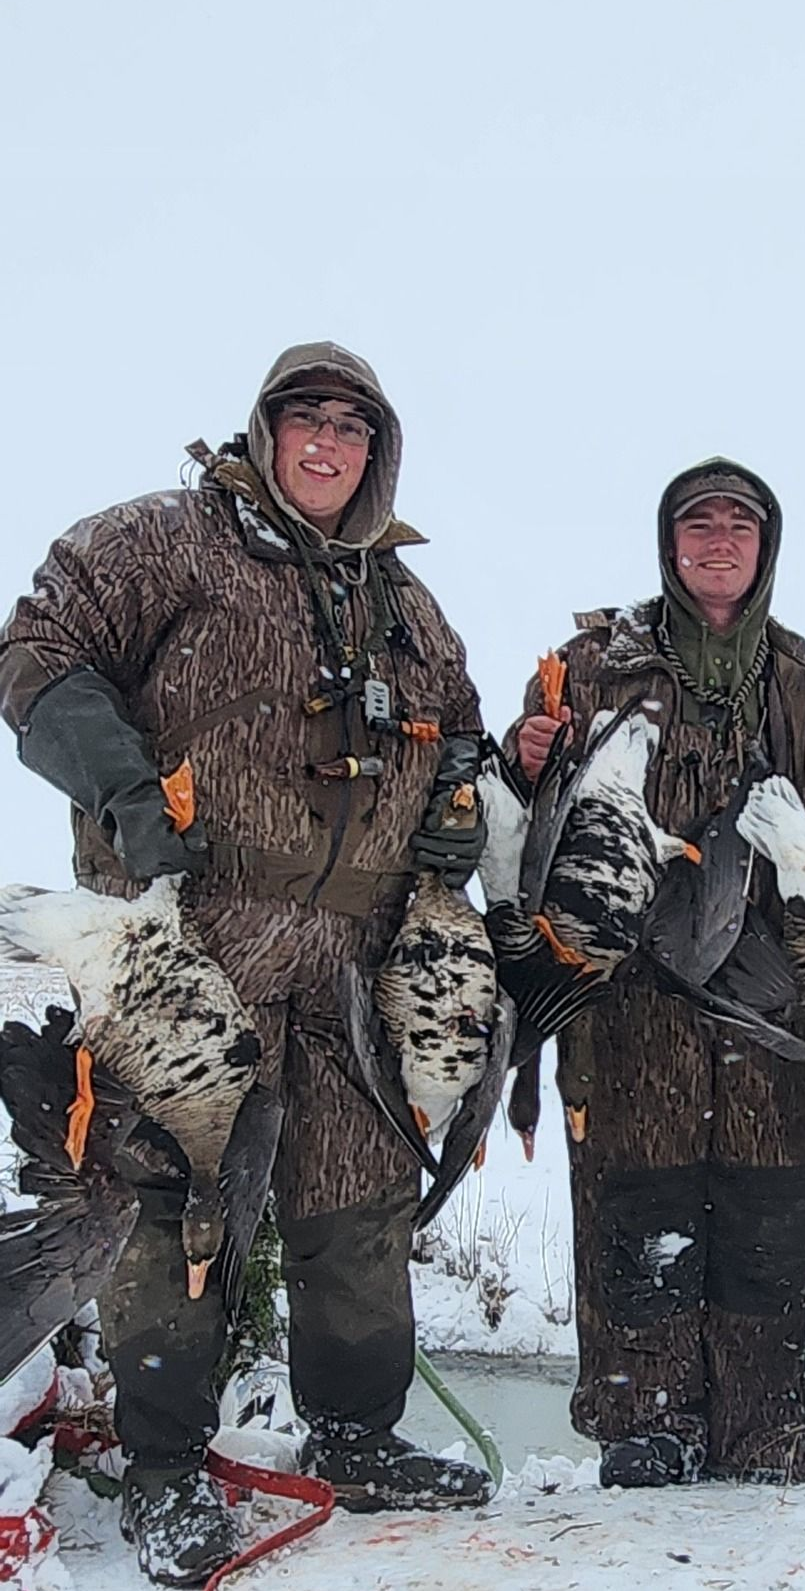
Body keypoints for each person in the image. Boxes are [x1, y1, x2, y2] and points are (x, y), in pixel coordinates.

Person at [0, 343, 491, 1586]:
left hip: (354, 956)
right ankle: (165, 1473)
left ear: (378, 454)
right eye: (304, 420)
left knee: (357, 1201)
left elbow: (464, 732)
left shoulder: (408, 607)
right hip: (191, 935)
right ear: (265, 431)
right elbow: (37, 649)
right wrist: (120, 785)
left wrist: (458, 807)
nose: (327, 444)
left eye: (353, 427)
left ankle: (356, 1433)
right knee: (176, 1201)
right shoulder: (166, 542)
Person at [505, 459, 805, 1487]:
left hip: (765, 999)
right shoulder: (593, 665)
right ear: (669, 544)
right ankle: (650, 1419)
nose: (719, 542)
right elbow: (524, 802)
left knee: (767, 1198)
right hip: (631, 991)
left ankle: (765, 1426)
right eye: (698, 525)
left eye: (739, 528)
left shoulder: (802, 686)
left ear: (765, 549)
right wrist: (523, 750)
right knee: (639, 1191)